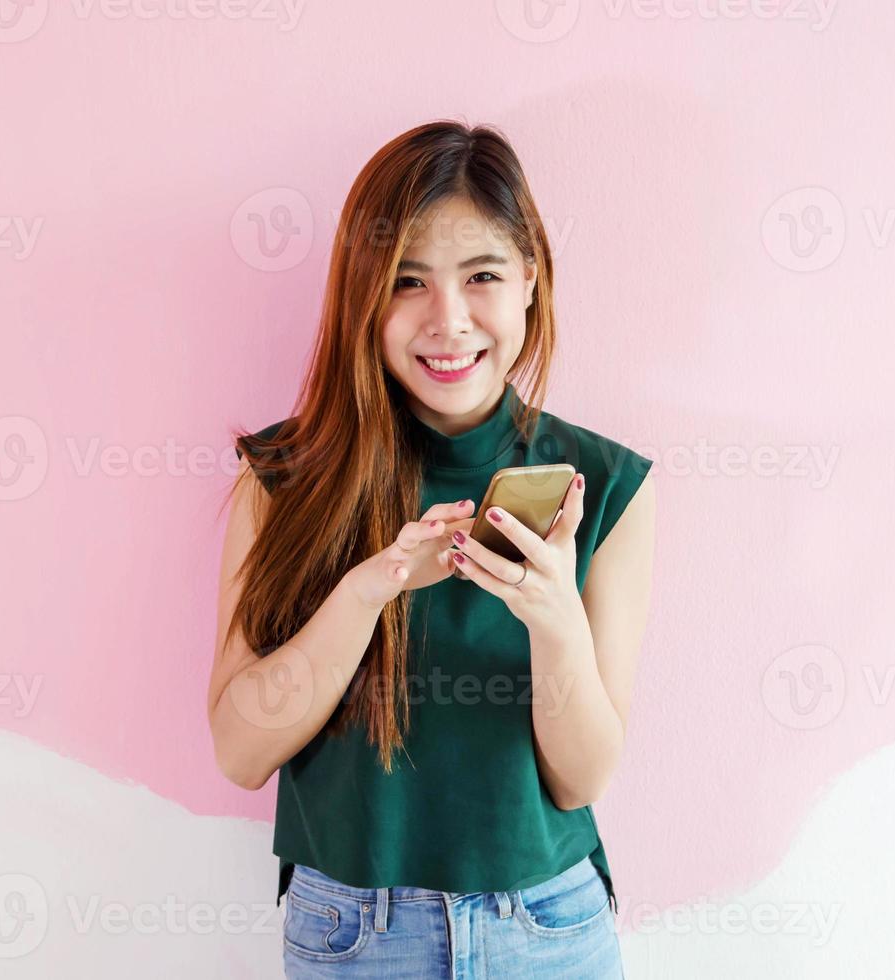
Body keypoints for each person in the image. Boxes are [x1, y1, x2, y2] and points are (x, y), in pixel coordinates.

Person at [208, 120, 656, 978]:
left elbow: (582, 779)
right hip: (353, 931)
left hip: (549, 928)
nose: (447, 321)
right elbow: (239, 750)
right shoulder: (282, 479)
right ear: (364, 297)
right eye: (407, 282)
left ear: (530, 277)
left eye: (481, 275)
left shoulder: (606, 487)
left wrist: (554, 619)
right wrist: (366, 593)